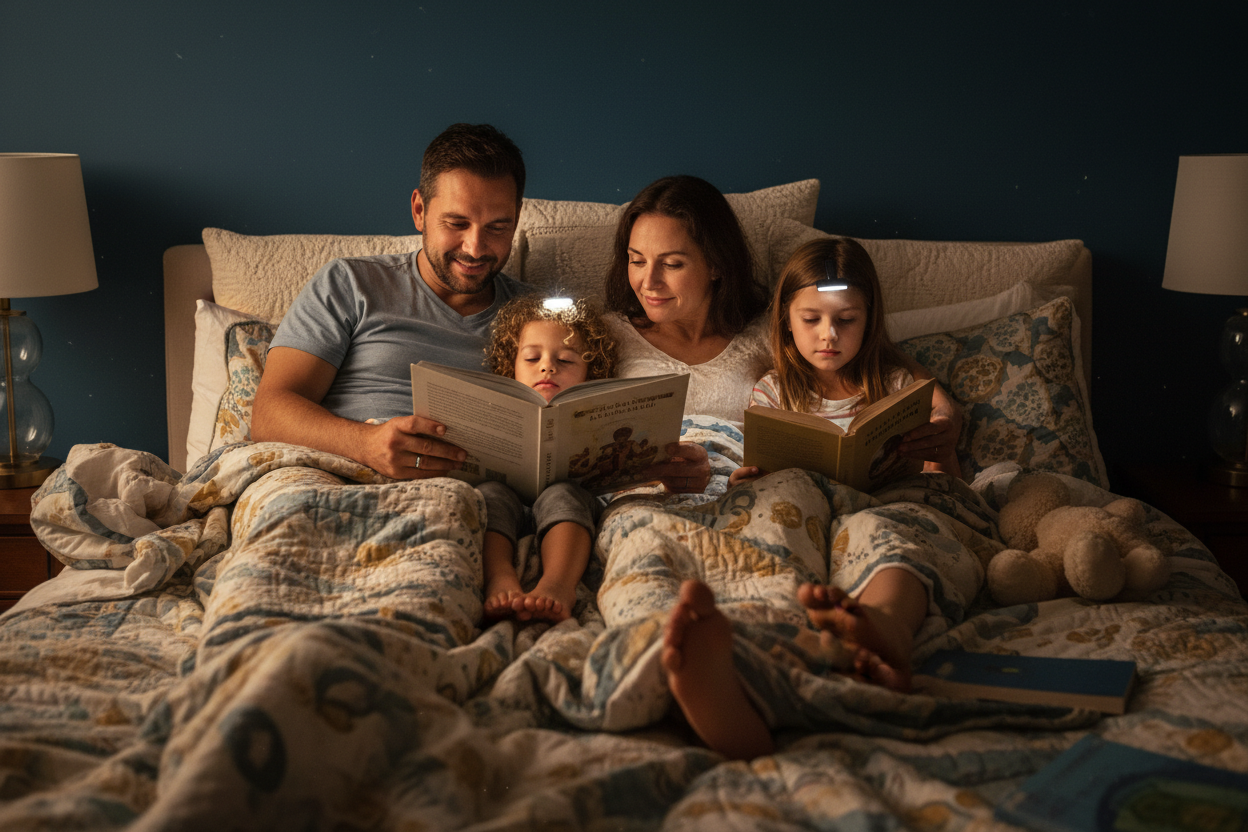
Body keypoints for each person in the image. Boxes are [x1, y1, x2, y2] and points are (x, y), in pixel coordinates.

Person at [660, 237, 966, 759]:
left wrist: (944, 433)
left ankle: (884, 624)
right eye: (811, 320)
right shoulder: (773, 392)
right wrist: (747, 483)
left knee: (892, 534)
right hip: (800, 512)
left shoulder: (895, 386)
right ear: (785, 322)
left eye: (846, 319)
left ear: (870, 319)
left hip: (879, 506)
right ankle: (755, 657)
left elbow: (944, 447)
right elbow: (752, 478)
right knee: (774, 520)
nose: (829, 335)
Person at [251, 122, 531, 479]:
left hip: (469, 499)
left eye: (497, 227)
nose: (475, 248)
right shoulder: (350, 283)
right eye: (456, 223)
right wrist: (366, 443)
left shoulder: (536, 317)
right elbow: (269, 413)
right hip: (339, 476)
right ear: (419, 211)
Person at [602, 174, 773, 493]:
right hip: (642, 501)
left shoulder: (765, 335)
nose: (648, 281)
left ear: (716, 265)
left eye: (672, 264)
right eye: (637, 260)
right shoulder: (606, 337)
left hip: (738, 497)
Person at [477, 294, 616, 623]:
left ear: (589, 370)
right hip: (509, 495)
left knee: (563, 495)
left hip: (571, 502)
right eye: (531, 358)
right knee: (489, 496)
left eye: (566, 361)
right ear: (510, 365)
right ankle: (499, 576)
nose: (547, 366)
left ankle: (557, 585)